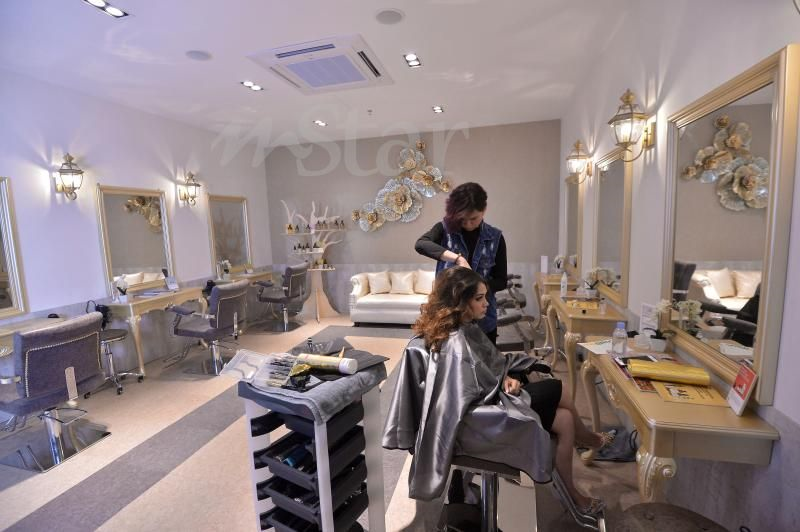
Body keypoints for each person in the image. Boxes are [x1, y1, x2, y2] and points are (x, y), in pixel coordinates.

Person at [409, 267, 613, 515]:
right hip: (478, 420)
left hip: (487, 402)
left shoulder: (462, 328)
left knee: (565, 419)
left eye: (485, 296)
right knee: (559, 388)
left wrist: (503, 376)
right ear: (460, 302)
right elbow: (465, 395)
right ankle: (589, 440)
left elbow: (482, 370)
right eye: (479, 298)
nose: (487, 303)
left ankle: (572, 492)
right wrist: (500, 382)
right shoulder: (454, 342)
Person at [415, 182, 507, 344]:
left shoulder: (495, 238)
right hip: (448, 315)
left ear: (484, 210)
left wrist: (476, 289)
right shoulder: (445, 230)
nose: (468, 224)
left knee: (485, 358)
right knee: (445, 356)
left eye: (473, 219)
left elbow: (501, 280)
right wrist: (458, 259)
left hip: (483, 317)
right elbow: (421, 244)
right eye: (462, 219)